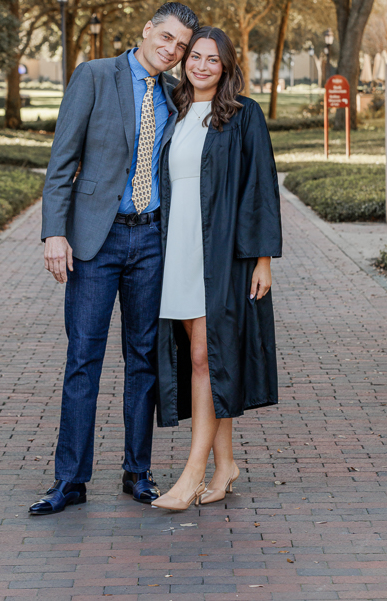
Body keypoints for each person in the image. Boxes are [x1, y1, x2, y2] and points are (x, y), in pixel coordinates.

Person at [29, 2, 198, 516]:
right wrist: (54, 232)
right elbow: (62, 161)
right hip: (94, 243)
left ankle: (137, 471)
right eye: (165, 38)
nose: (171, 50)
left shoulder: (175, 95)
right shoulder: (95, 75)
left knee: (143, 359)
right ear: (147, 31)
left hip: (151, 243)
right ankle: (71, 480)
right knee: (83, 358)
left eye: (180, 47)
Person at [152, 26, 282, 511]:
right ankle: (225, 464)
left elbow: (261, 187)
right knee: (208, 361)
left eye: (213, 59)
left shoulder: (244, 116)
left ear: (226, 66)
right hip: (177, 252)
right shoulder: (177, 111)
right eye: (195, 57)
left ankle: (191, 474)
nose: (202, 66)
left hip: (222, 253)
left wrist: (263, 258)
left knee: (206, 357)